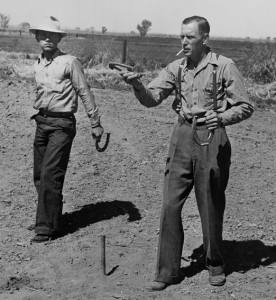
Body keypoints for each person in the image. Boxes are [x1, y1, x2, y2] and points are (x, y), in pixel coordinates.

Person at [120, 16, 253, 289]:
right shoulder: (176, 67)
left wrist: (223, 117)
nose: (184, 41)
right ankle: (167, 272)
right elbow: (151, 98)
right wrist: (137, 84)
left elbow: (245, 106)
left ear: (205, 38)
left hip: (212, 137)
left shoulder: (224, 66)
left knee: (210, 204)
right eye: (182, 36)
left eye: (190, 37)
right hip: (181, 136)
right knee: (170, 204)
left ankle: (215, 263)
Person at [28, 16, 104, 243]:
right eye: (43, 35)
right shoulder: (38, 63)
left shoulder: (70, 62)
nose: (47, 38)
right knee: (40, 175)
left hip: (62, 125)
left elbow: (84, 91)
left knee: (51, 175)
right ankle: (49, 217)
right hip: (42, 123)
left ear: (60, 38)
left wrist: (95, 122)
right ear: (37, 38)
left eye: (53, 35)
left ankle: (46, 227)